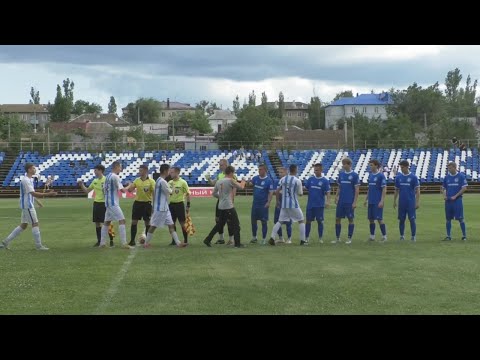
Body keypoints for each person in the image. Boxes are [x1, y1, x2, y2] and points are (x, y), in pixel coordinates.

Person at [1, 163, 57, 250]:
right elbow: (33, 193)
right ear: (29, 170)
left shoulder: (29, 179)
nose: (35, 170)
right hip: (28, 205)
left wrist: (38, 201)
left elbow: (31, 193)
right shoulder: (26, 180)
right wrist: (48, 194)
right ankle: (39, 246)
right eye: (33, 168)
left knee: (23, 225)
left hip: (26, 205)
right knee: (35, 223)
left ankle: (5, 242)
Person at [143, 164, 187, 248]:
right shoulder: (162, 182)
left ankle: (178, 243)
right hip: (160, 208)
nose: (170, 172)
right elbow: (170, 192)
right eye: (169, 170)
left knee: (171, 225)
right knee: (153, 226)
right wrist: (173, 188)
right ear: (165, 171)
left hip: (165, 208)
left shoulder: (160, 180)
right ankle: (146, 243)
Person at [203, 166, 246, 248]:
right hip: (228, 206)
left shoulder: (219, 181)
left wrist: (221, 197)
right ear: (231, 172)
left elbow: (214, 194)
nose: (233, 175)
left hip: (221, 206)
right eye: (233, 173)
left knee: (219, 225)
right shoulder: (230, 180)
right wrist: (243, 180)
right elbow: (241, 187)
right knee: (236, 224)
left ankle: (207, 239)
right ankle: (237, 244)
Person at [268, 164, 306, 246]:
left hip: (284, 204)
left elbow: (277, 191)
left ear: (289, 170)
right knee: (301, 220)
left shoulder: (283, 179)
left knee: (280, 221)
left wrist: (277, 201)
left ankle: (272, 237)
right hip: (293, 204)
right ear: (295, 170)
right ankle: (303, 240)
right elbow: (300, 194)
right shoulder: (297, 180)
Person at [78, 164, 115, 247]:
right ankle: (99, 241)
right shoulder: (94, 181)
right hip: (96, 203)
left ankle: (111, 240)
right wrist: (82, 185)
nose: (94, 172)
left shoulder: (106, 180)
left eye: (96, 170)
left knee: (107, 222)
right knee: (97, 223)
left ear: (100, 171)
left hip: (104, 204)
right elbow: (87, 191)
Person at [100, 161, 132, 249]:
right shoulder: (115, 177)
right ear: (116, 167)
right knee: (122, 220)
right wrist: (130, 185)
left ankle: (102, 243)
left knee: (106, 222)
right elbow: (122, 190)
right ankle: (124, 243)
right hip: (113, 203)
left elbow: (103, 189)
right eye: (120, 167)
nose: (121, 169)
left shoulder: (107, 177)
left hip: (107, 202)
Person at [124, 164, 156, 246]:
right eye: (139, 170)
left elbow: (154, 194)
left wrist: (154, 205)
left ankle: (147, 242)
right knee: (134, 222)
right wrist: (129, 185)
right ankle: (132, 240)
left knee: (147, 223)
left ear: (146, 171)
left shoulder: (151, 181)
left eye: (141, 170)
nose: (139, 172)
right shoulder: (137, 180)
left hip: (147, 203)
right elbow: (130, 190)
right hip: (137, 203)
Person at [206, 158, 236, 245]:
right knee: (218, 219)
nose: (220, 166)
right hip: (221, 200)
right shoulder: (219, 175)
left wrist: (232, 199)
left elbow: (234, 189)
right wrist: (208, 179)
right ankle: (221, 238)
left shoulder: (232, 176)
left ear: (226, 165)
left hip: (228, 201)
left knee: (229, 220)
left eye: (221, 164)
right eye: (219, 164)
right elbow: (213, 183)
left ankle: (231, 239)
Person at [333, 157, 360, 244]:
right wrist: (336, 196)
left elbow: (356, 190)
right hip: (341, 201)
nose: (343, 165)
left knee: (350, 219)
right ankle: (337, 238)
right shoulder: (341, 174)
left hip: (349, 201)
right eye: (343, 164)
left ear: (349, 165)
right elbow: (339, 187)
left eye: (344, 164)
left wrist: (355, 202)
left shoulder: (355, 175)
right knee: (337, 218)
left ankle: (349, 238)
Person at [393, 160, 420, 242]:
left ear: (407, 166)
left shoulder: (413, 177)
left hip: (410, 202)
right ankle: (402, 236)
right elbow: (397, 190)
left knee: (412, 219)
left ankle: (413, 236)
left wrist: (417, 202)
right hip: (402, 202)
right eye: (400, 167)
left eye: (403, 167)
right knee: (401, 219)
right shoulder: (398, 177)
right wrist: (394, 201)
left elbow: (418, 191)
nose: (401, 169)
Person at [304, 163, 331, 244]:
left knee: (320, 221)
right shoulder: (310, 179)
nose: (315, 171)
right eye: (315, 170)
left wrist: (328, 201)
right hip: (310, 205)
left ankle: (320, 238)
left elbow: (328, 192)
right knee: (308, 221)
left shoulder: (325, 181)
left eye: (317, 170)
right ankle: (307, 237)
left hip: (319, 205)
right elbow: (305, 188)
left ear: (321, 170)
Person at [248, 164, 274, 245]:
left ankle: (263, 238)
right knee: (253, 221)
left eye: (261, 169)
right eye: (259, 169)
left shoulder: (269, 181)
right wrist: (248, 182)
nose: (259, 171)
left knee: (263, 222)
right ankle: (254, 237)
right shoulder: (255, 178)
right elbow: (250, 184)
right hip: (255, 204)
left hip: (263, 204)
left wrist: (268, 202)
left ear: (265, 170)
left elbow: (270, 192)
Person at [442, 162, 467, 241]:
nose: (448, 170)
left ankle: (464, 236)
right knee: (448, 218)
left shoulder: (461, 176)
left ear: (454, 167)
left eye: (450, 168)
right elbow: (443, 188)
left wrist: (455, 196)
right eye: (448, 168)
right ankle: (448, 236)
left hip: (457, 201)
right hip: (448, 201)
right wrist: (444, 196)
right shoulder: (447, 177)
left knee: (460, 218)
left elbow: (464, 188)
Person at [363, 159, 387, 242]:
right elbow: (369, 189)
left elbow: (384, 189)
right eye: (370, 165)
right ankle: (372, 236)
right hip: (371, 201)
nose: (370, 166)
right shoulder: (371, 175)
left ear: (376, 166)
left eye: (372, 165)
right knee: (371, 219)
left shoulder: (381, 176)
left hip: (377, 201)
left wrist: (382, 201)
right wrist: (366, 199)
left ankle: (384, 236)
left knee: (379, 219)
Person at [168, 166, 191, 245]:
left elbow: (188, 194)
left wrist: (188, 205)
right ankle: (174, 240)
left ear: (177, 172)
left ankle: (185, 240)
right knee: (171, 223)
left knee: (182, 223)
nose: (170, 174)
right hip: (171, 205)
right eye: (170, 172)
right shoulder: (170, 182)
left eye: (172, 172)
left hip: (179, 204)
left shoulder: (183, 182)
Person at [273, 167, 292, 244]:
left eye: (282, 172)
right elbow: (276, 192)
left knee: (288, 222)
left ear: (286, 173)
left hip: (287, 204)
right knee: (276, 221)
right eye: (279, 172)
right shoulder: (278, 181)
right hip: (279, 203)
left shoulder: (289, 181)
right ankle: (281, 238)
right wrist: (277, 201)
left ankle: (289, 238)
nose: (280, 174)